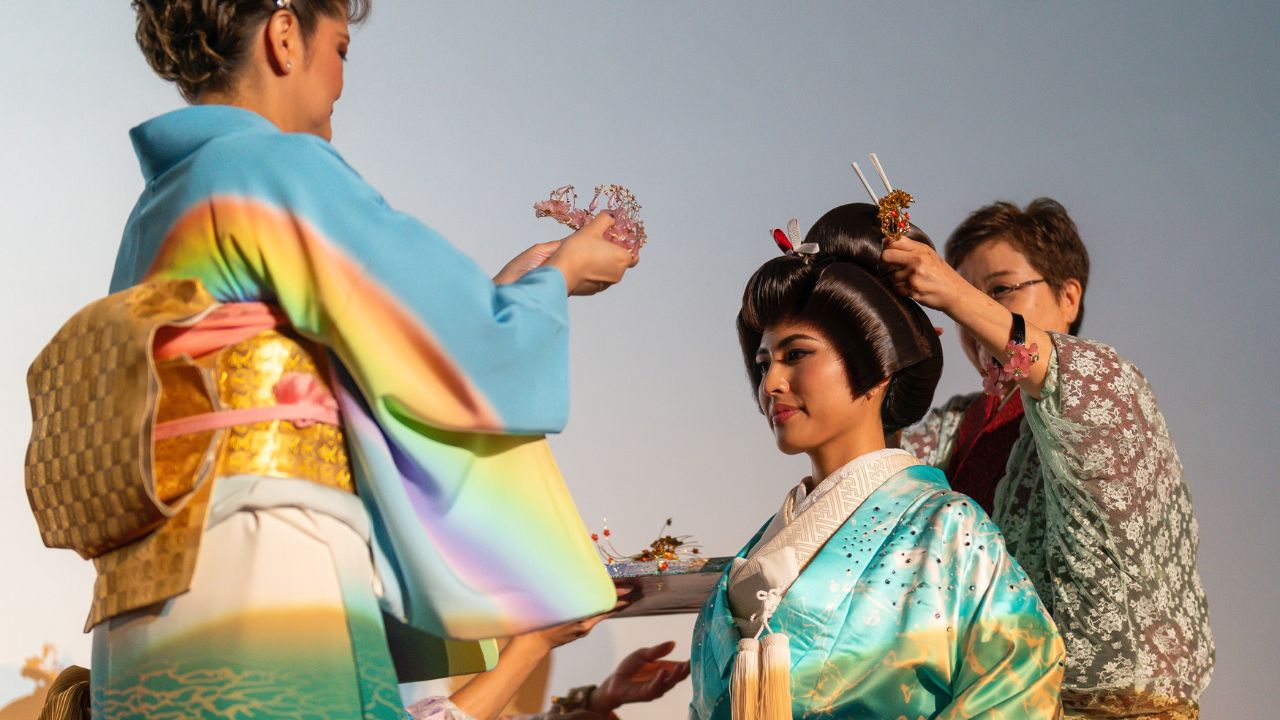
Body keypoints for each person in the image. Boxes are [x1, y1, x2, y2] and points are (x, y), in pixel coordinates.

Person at [25, 1, 639, 718]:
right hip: (259, 578)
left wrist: (505, 289)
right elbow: (462, 345)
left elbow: (353, 347)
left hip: (142, 614)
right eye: (341, 48)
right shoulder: (271, 165)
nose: (342, 82)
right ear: (285, 36)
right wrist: (555, 277)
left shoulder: (158, 208)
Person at [688, 203, 1064, 720]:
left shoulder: (947, 531)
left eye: (796, 355)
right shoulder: (764, 544)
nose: (770, 383)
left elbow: (1021, 683)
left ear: (879, 367)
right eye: (762, 362)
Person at [889, 198, 1213, 718]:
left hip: (1115, 707)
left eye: (998, 289)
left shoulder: (1107, 387)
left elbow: (1050, 367)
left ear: (1068, 296)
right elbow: (876, 475)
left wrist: (951, 291)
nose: (974, 312)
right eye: (967, 293)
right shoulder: (955, 426)